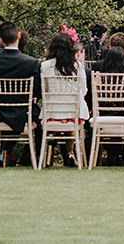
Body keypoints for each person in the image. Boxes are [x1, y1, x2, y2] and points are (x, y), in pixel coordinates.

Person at [0, 22, 41, 148]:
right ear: (19, 35)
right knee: (40, 114)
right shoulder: (32, 63)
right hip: (25, 113)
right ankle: (35, 155)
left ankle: (4, 152)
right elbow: (37, 92)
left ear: (0, 40)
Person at [40, 32, 89, 167]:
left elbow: (44, 90)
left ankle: (50, 143)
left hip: (52, 113)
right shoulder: (78, 66)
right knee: (71, 121)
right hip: (74, 114)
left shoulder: (45, 66)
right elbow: (83, 90)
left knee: (56, 119)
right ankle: (70, 152)